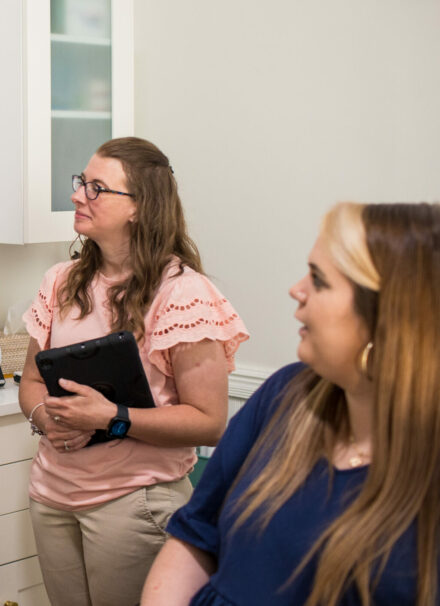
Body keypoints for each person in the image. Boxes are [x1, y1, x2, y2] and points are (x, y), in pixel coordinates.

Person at [142, 202, 440, 606]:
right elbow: (197, 534)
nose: (296, 289)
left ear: (387, 314)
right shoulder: (286, 394)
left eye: (318, 279)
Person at [18, 137, 249, 606]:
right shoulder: (60, 281)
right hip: (51, 495)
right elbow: (31, 380)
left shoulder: (184, 293)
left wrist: (109, 417)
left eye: (97, 187)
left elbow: (208, 421)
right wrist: (46, 419)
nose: (77, 195)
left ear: (140, 208)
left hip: (133, 504)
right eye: (82, 182)